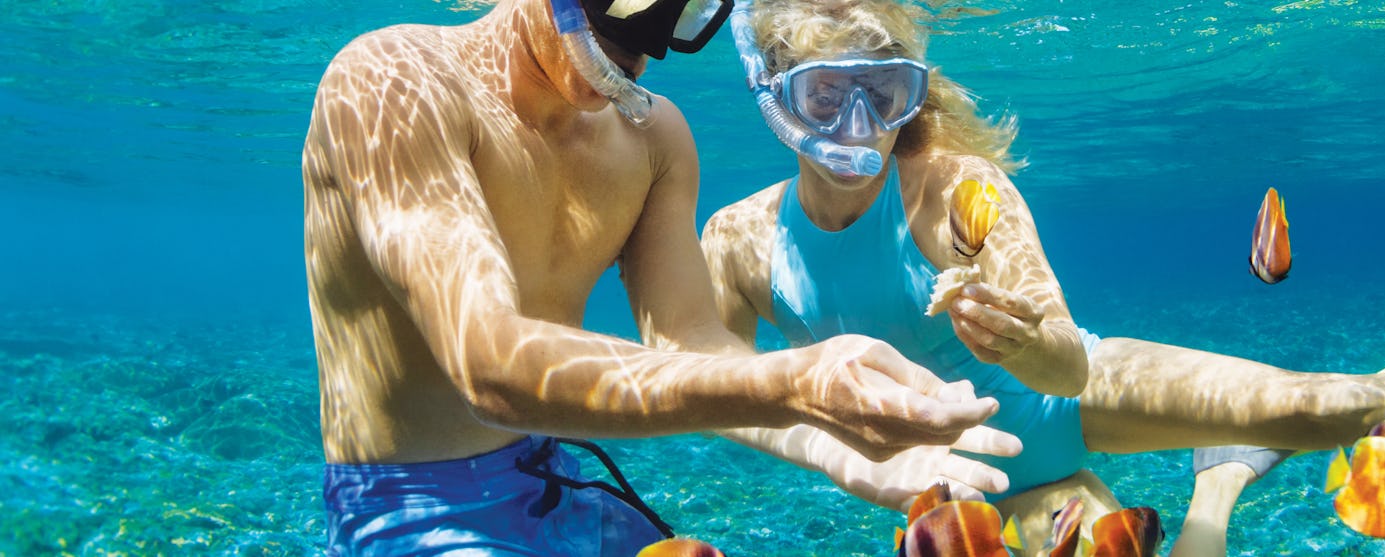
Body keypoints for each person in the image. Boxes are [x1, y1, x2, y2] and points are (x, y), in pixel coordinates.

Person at [695, 0, 1385, 555]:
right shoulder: (740, 241)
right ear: (772, 96)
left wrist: (1017, 333)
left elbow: (1063, 359)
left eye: (885, 93)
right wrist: (839, 446)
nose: (861, 127)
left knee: (1320, 402)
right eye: (826, 96)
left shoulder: (955, 190)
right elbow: (704, 382)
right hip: (977, 489)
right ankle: (1221, 482)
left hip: (1074, 398)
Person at [300, 0, 1020, 554]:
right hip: (405, 506)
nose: (649, 33)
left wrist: (834, 446)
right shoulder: (392, 80)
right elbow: (485, 362)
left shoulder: (653, 137)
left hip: (549, 474)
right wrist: (795, 385)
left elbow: (691, 342)